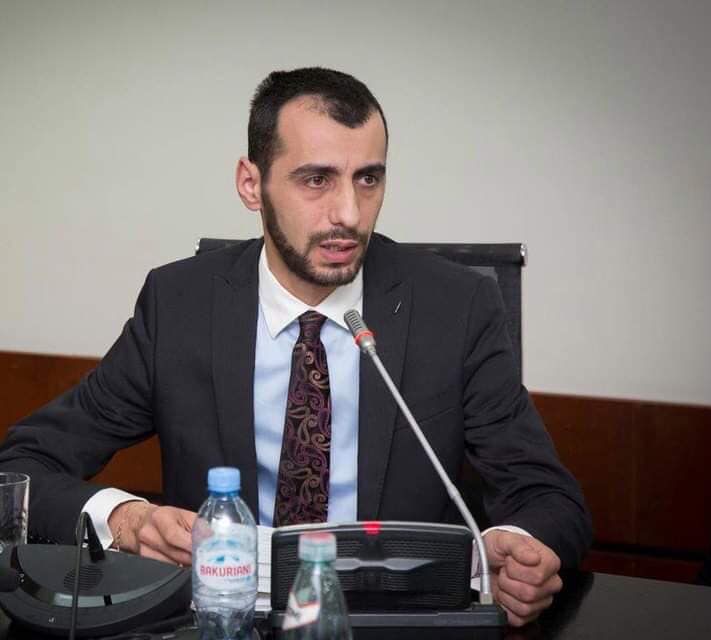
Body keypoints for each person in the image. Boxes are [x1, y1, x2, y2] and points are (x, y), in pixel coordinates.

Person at [0, 67, 591, 626]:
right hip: (225, 618)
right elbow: (23, 467)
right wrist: (126, 520)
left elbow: (548, 497)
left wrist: (520, 548)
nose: (348, 214)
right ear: (251, 184)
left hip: (395, 620)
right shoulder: (179, 305)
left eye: (368, 178)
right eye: (316, 179)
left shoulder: (455, 308)